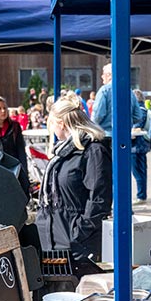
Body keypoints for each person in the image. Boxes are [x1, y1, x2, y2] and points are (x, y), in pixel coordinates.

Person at [35, 98, 112, 260]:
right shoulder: (62, 152)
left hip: (77, 246)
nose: (53, 131)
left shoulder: (93, 151)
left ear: (61, 123)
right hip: (54, 241)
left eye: (52, 125)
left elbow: (99, 198)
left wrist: (79, 231)